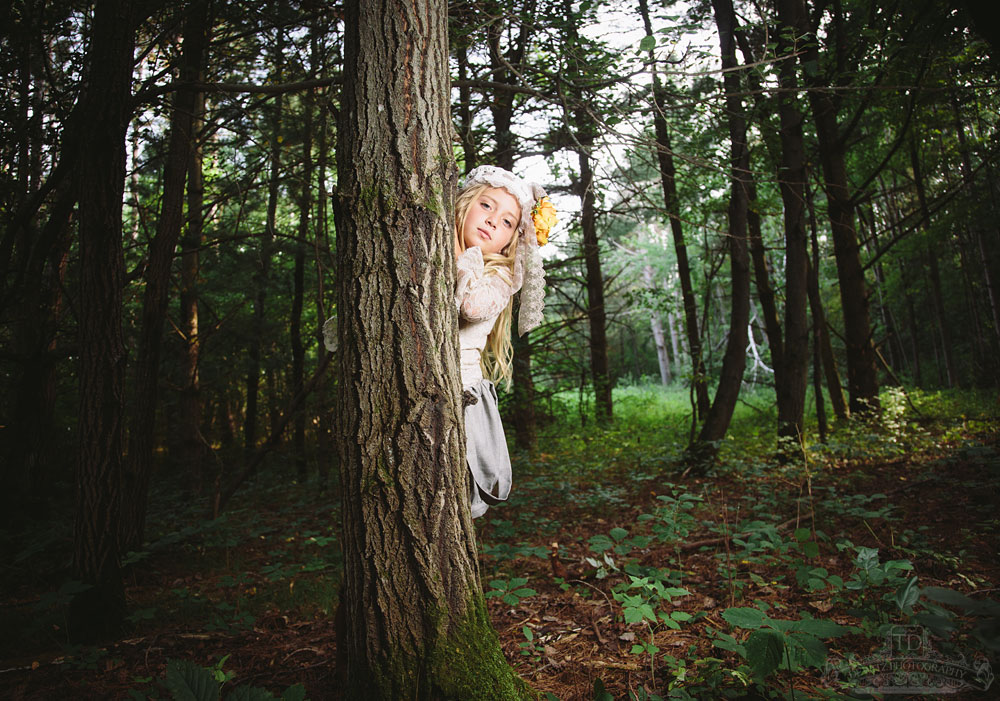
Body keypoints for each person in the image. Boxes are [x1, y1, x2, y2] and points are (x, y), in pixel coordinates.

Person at [453, 165, 556, 518]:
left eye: (508, 221)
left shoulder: (501, 275)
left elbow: (470, 306)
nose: (494, 221)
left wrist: (457, 250)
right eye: (486, 206)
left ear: (511, 240)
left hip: (458, 401)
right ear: (464, 204)